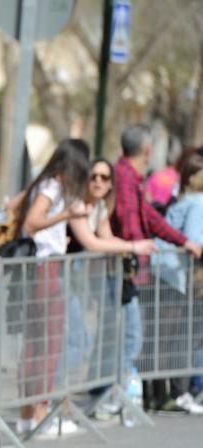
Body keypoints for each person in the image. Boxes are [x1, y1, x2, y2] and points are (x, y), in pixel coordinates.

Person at [111, 123, 203, 410]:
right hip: (134, 269)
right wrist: (134, 249)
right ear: (148, 149)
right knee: (141, 336)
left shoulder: (133, 180)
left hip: (144, 269)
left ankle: (145, 394)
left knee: (143, 335)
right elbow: (130, 226)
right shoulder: (124, 179)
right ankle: (116, 396)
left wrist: (182, 240)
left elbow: (151, 219)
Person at [11, 139, 94, 436]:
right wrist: (65, 217)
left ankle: (27, 414)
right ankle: (41, 412)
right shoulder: (53, 187)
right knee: (49, 343)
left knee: (34, 344)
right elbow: (32, 223)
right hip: (46, 268)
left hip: (36, 268)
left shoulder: (41, 183)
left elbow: (15, 207)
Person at [62, 158, 156, 403]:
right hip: (57, 277)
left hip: (76, 281)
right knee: (76, 342)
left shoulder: (100, 208)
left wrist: (131, 248)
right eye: (93, 176)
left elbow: (107, 238)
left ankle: (60, 401)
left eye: (104, 178)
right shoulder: (77, 205)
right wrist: (133, 246)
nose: (98, 182)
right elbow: (91, 243)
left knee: (81, 340)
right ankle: (49, 400)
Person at [151, 153, 203, 413]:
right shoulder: (198, 203)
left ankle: (162, 394)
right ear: (194, 177)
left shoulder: (183, 200)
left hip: (164, 271)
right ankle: (175, 393)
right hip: (174, 274)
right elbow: (195, 242)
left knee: (164, 336)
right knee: (176, 336)